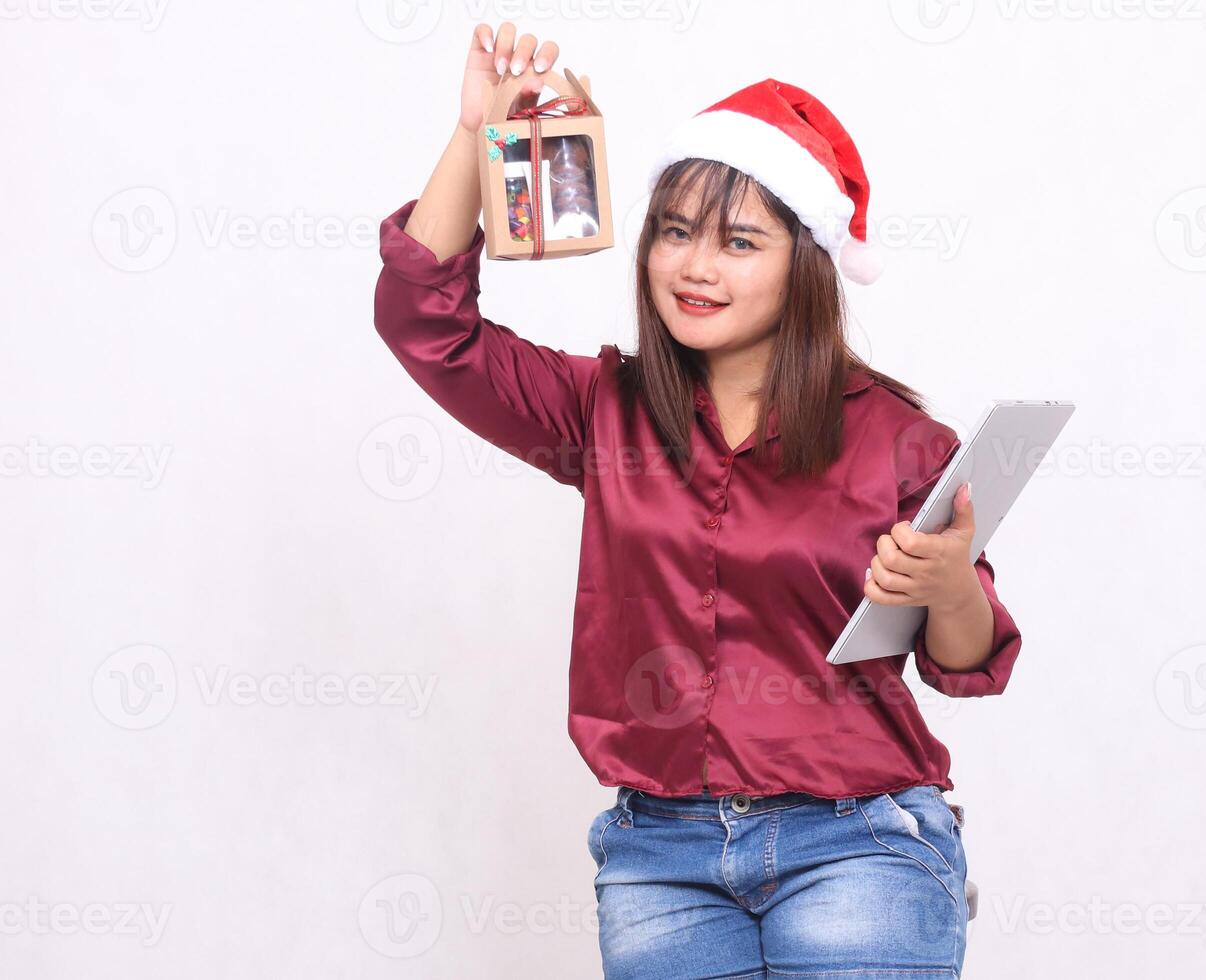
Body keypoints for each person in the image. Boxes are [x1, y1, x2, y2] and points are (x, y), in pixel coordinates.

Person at [373, 21, 1025, 980]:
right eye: (674, 232)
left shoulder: (898, 441)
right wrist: (476, 137)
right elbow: (425, 325)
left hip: (857, 845)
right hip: (659, 857)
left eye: (738, 241)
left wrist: (946, 583)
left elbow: (966, 660)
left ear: (804, 260)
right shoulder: (602, 411)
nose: (694, 266)